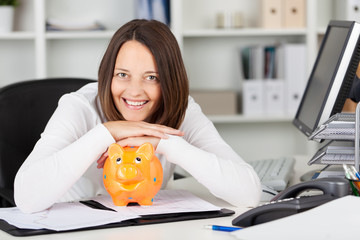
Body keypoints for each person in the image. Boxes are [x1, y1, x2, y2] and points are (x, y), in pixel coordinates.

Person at [14, 19, 261, 214]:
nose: (134, 91)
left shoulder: (182, 109)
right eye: (122, 75)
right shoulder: (78, 107)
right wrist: (106, 133)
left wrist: (164, 143)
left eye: (151, 77)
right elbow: (26, 198)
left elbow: (249, 193)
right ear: (108, 75)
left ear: (170, 82)